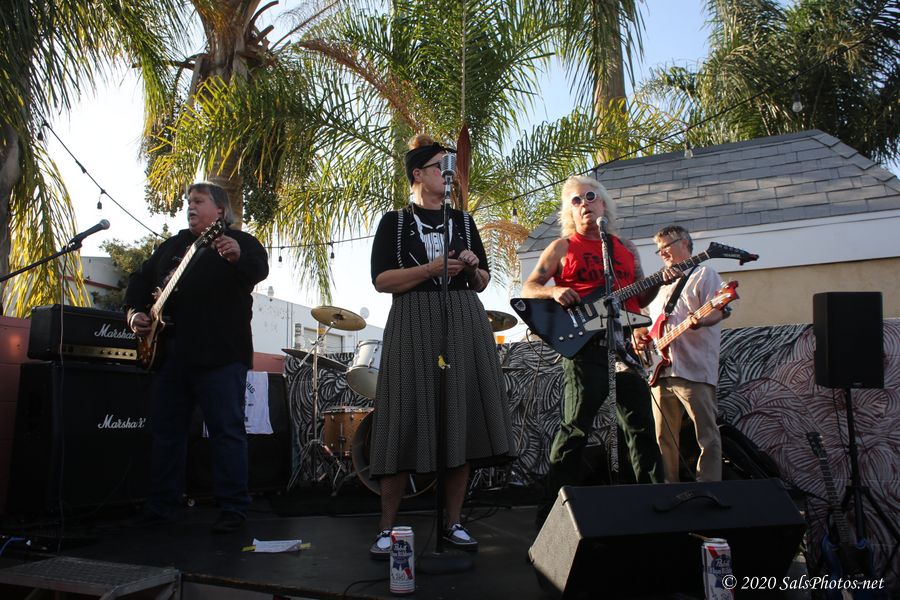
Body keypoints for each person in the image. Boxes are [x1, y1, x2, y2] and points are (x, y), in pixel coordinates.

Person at [367, 134, 516, 559]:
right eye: (439, 168)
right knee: (402, 416)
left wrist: (472, 267)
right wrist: (430, 269)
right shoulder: (394, 222)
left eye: (450, 169)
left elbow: (483, 282)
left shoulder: (464, 222)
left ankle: (453, 523)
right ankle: (386, 528)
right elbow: (381, 280)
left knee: (460, 415)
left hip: (463, 319)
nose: (448, 175)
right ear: (417, 174)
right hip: (412, 320)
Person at [521, 175, 666, 525]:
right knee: (575, 429)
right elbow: (529, 287)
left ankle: (654, 509)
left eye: (590, 197)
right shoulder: (562, 247)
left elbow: (639, 296)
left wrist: (663, 279)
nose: (584, 204)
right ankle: (551, 516)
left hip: (624, 347)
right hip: (585, 348)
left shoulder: (625, 248)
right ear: (569, 211)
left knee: (641, 429)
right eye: (576, 200)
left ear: (603, 204)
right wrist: (554, 291)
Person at [125, 181, 269, 534]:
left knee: (226, 431)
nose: (190, 206)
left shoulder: (240, 241)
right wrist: (133, 314)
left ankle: (233, 508)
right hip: (170, 354)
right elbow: (139, 281)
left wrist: (237, 257)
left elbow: (258, 269)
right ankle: (162, 506)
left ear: (219, 210)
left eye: (198, 201)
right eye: (189, 201)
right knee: (167, 433)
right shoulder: (171, 246)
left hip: (221, 353)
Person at [638, 225, 728, 483]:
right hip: (660, 371)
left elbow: (719, 309)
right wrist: (638, 335)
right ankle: (668, 489)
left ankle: (709, 488)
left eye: (666, 246)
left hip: (693, 369)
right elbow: (644, 323)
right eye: (658, 249)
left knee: (706, 435)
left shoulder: (704, 274)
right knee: (662, 438)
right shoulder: (658, 285)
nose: (662, 252)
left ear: (685, 243)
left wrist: (702, 320)